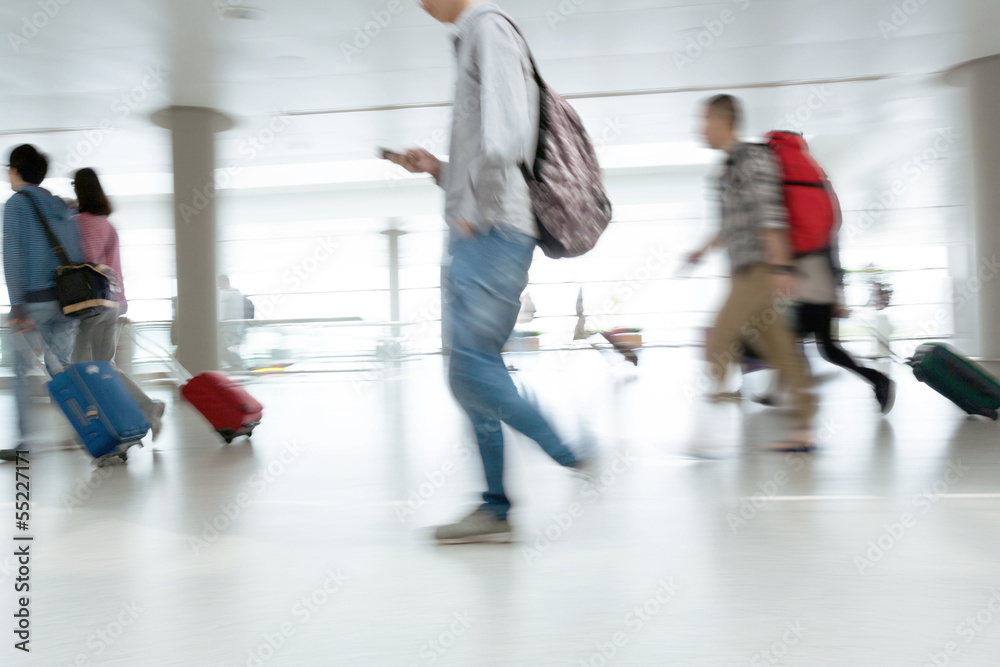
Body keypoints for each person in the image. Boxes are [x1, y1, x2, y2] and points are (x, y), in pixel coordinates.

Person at [384, 0, 586, 543]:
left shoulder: (489, 30)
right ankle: (495, 509)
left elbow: (507, 137)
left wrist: (474, 210)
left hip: (493, 229)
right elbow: (490, 148)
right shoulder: (471, 39)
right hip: (483, 225)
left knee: (471, 367)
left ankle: (565, 448)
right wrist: (438, 169)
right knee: (467, 374)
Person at [686, 95, 818, 451]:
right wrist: (701, 250)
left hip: (760, 270)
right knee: (777, 346)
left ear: (723, 121)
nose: (701, 129)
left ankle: (707, 432)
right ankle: (806, 425)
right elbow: (730, 225)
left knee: (721, 336)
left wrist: (780, 267)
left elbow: (770, 215)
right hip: (742, 270)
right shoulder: (726, 170)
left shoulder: (753, 159)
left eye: (705, 121)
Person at [72, 168, 166, 439]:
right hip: (113, 302)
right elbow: (116, 268)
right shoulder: (107, 225)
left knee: (78, 365)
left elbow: (89, 261)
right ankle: (149, 407)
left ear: (79, 190)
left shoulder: (83, 222)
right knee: (107, 365)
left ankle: (96, 424)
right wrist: (122, 301)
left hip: (91, 304)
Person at [2, 145, 83, 460]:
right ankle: (89, 427)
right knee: (61, 369)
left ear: (17, 170)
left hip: (33, 302)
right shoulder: (60, 206)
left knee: (22, 371)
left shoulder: (16, 205)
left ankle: (26, 443)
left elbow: (13, 257)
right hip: (66, 302)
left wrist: (17, 304)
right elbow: (75, 254)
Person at [217, 275, 246, 370]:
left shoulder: (226, 295)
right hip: (237, 328)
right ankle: (240, 367)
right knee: (228, 350)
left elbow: (221, 314)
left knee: (224, 350)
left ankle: (240, 368)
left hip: (227, 329)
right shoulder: (237, 293)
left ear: (223, 283)